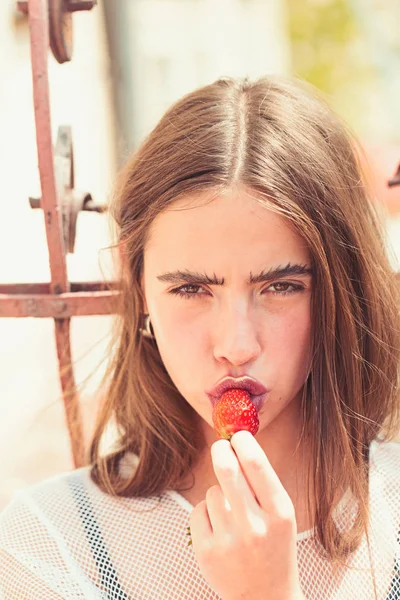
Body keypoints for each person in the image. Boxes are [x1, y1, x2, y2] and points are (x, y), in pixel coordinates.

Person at [1, 75, 400, 600]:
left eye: (281, 286)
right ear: (138, 283)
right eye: (191, 289)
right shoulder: (49, 542)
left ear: (338, 287)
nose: (236, 346)